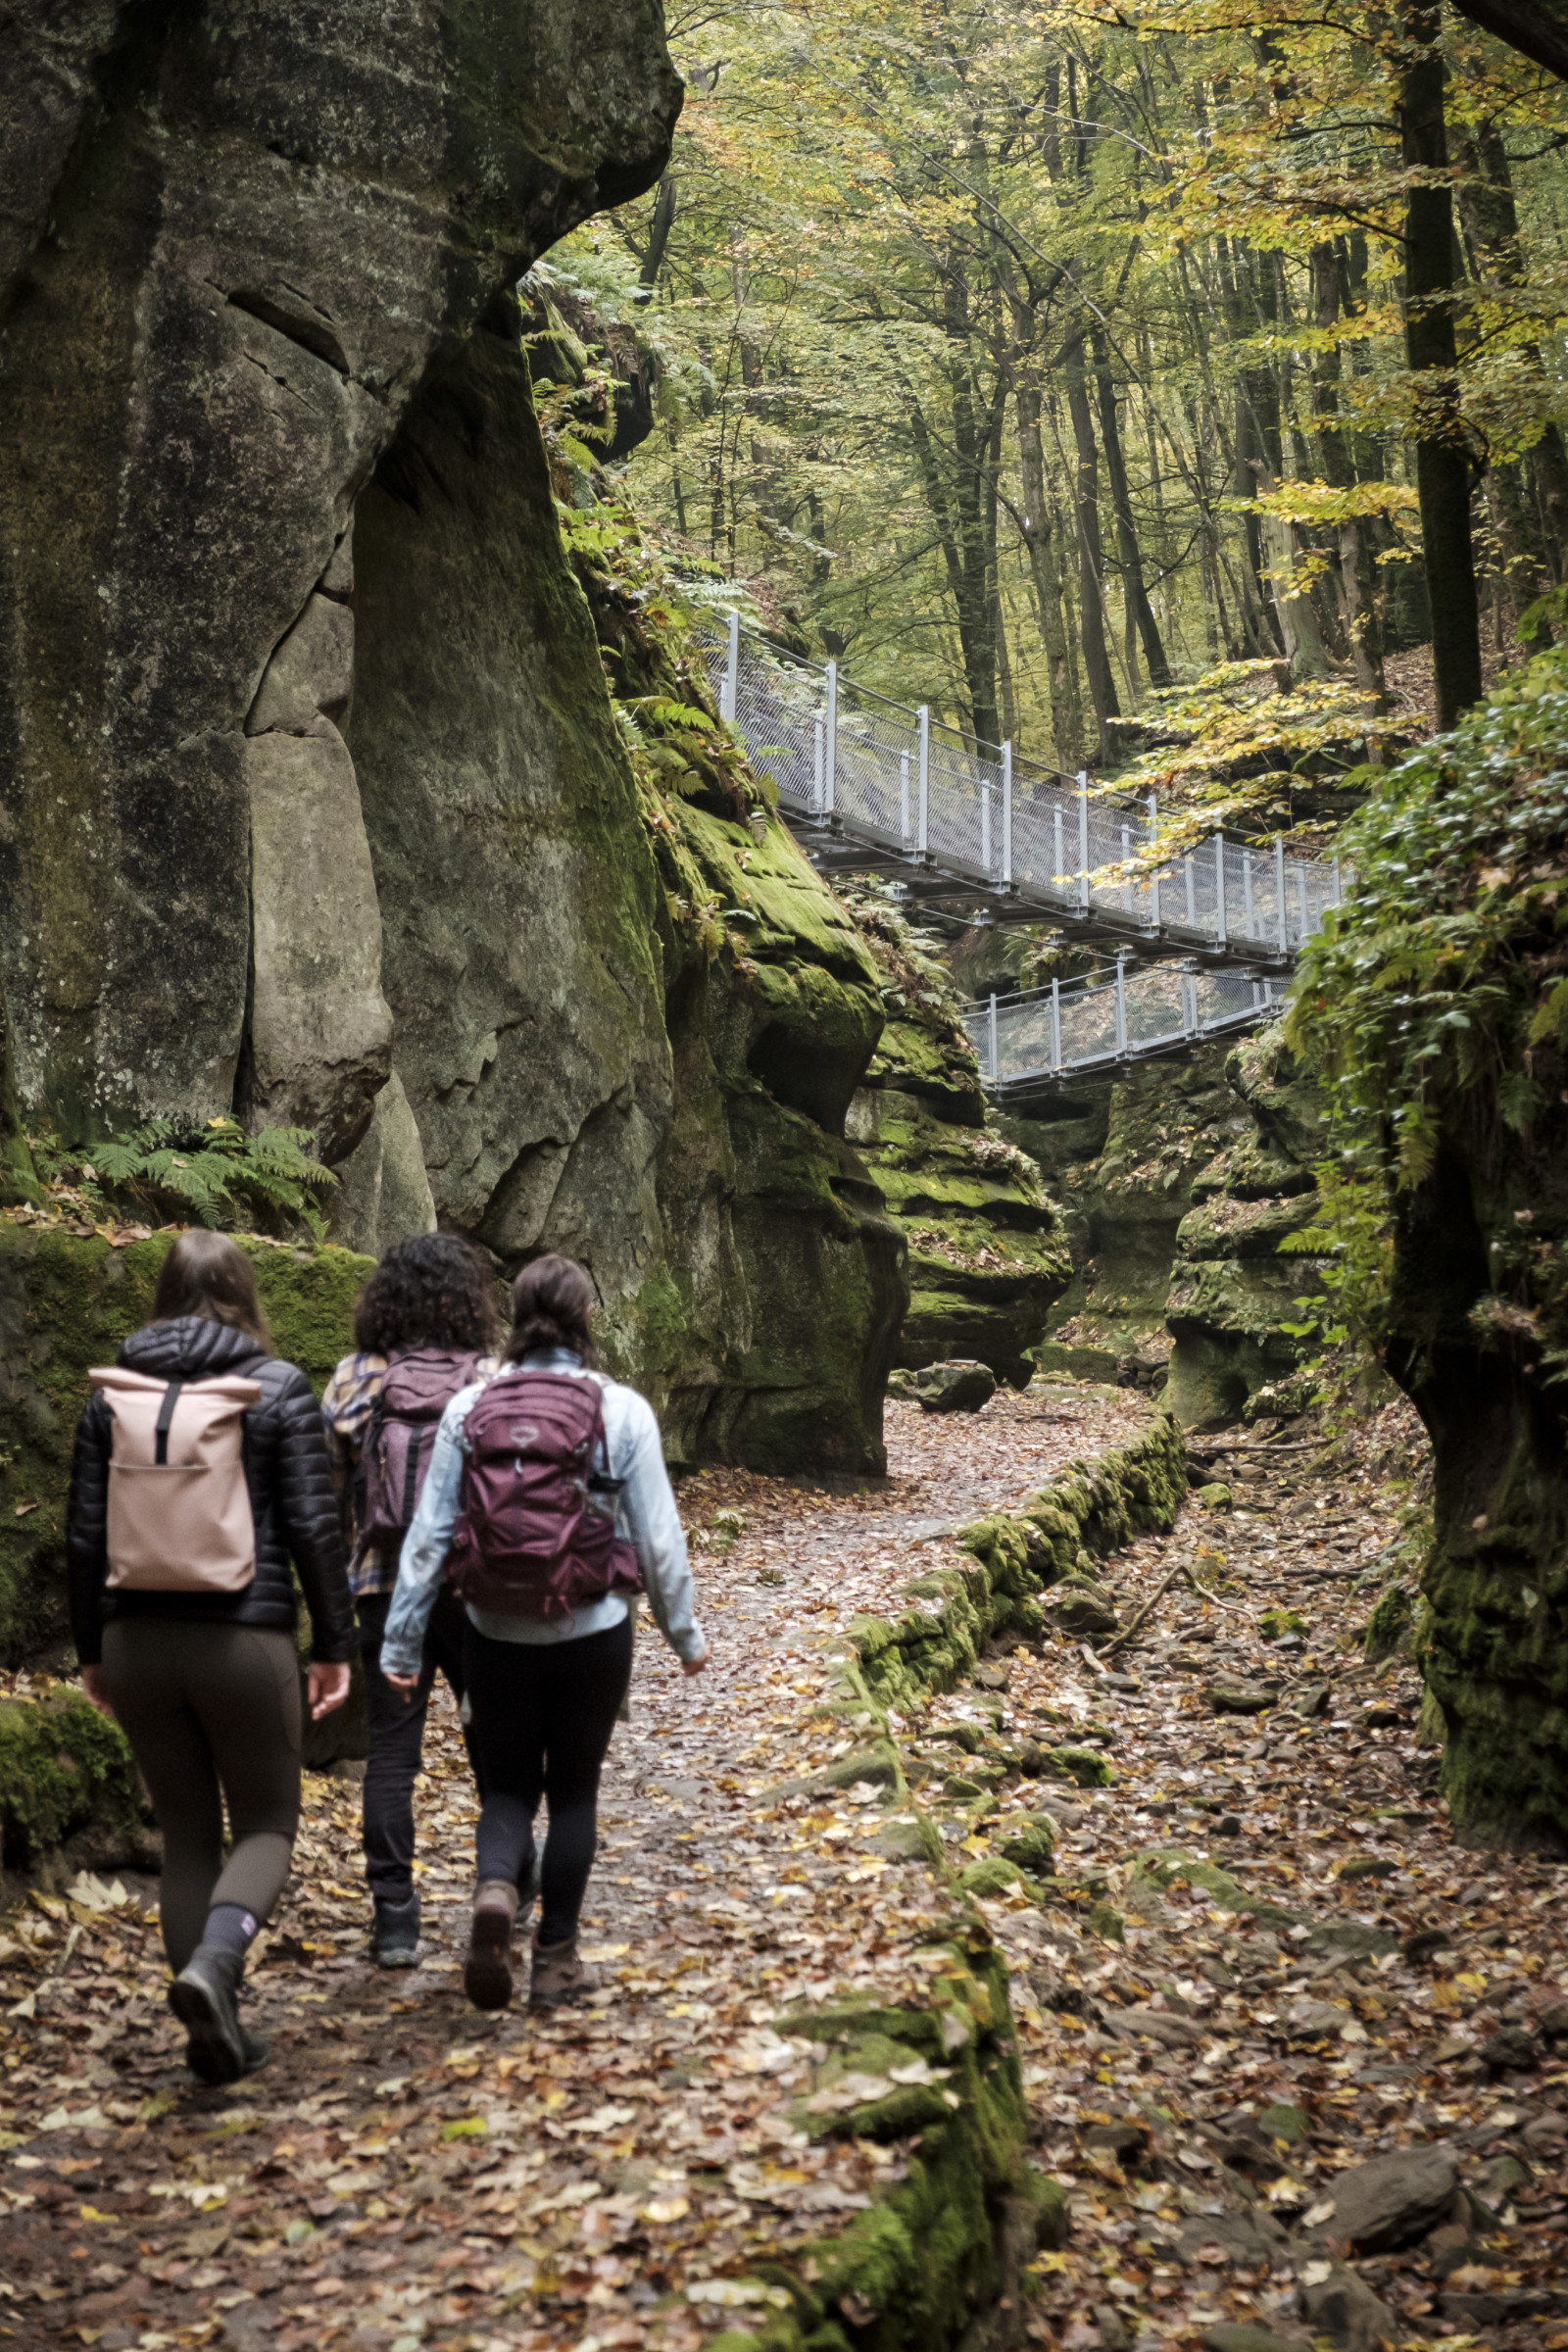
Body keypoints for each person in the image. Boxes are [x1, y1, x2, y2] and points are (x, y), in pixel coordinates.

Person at [381, 1253, 708, 2012]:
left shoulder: (471, 1409)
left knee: (508, 1789)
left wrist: (401, 1645)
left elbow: (429, 1539)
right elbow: (658, 1539)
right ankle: (555, 1956)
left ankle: (496, 1891)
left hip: (492, 1630)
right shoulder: (621, 1409)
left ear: (517, 1319)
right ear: (585, 1320)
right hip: (593, 1627)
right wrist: (683, 1635)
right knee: (574, 1793)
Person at [67, 1231, 354, 2084]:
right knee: (266, 1823)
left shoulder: (109, 1397)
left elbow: (84, 1539)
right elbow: (314, 1529)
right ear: (245, 1295)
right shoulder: (276, 1389)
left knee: (187, 1834)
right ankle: (217, 1970)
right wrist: (335, 1644)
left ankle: (208, 2034)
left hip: (136, 1642)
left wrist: (94, 1651)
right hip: (243, 1639)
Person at [321, 1234, 502, 1966]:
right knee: (491, 1736)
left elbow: (330, 1501)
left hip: (381, 1585)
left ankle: (394, 1915)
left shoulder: (353, 1378)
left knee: (393, 1755)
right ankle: (504, 1876)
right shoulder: (491, 1377)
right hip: (474, 1587)